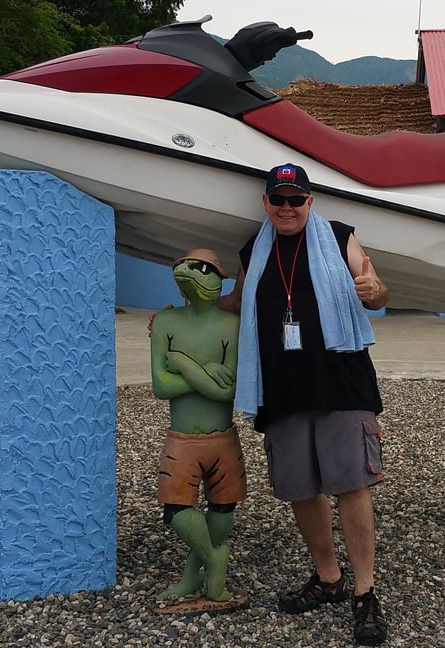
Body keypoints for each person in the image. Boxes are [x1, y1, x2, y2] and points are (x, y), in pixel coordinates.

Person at [219, 163, 389, 646]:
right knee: (301, 488)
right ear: (267, 203)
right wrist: (189, 310)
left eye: (297, 200)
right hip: (282, 388)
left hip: (341, 381)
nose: (287, 208)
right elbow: (236, 300)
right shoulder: (254, 249)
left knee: (352, 485)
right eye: (279, 199)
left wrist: (375, 291)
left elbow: (376, 289)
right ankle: (328, 577)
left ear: (310, 202)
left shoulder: (339, 237)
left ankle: (365, 593)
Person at [149, 248, 243, 603]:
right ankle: (214, 558)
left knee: (223, 507)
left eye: (203, 268)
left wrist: (183, 365)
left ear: (219, 280)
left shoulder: (230, 326)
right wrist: (207, 375)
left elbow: (230, 390)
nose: (190, 272)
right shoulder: (165, 323)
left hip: (223, 437)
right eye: (182, 266)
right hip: (181, 438)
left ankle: (193, 575)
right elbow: (161, 387)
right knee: (175, 509)